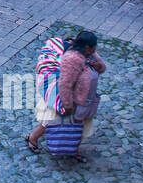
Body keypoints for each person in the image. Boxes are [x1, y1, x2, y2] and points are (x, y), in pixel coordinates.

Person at [27, 30, 105, 161]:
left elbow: (102, 68)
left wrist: (97, 65)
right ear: (87, 47)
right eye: (94, 46)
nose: (95, 49)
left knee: (80, 125)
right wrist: (67, 105)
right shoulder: (72, 60)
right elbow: (65, 85)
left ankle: (73, 149)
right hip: (72, 100)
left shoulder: (90, 55)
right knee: (53, 121)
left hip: (86, 99)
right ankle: (33, 138)